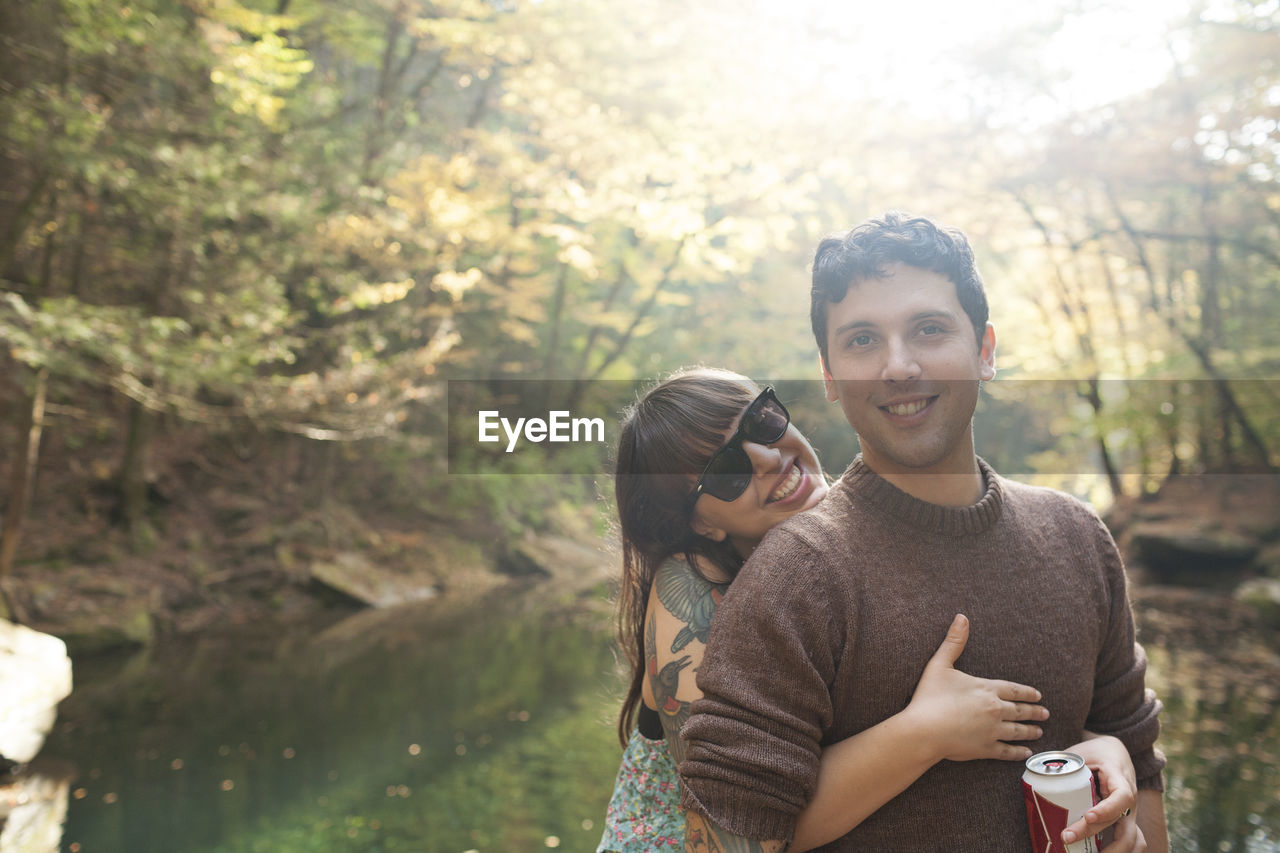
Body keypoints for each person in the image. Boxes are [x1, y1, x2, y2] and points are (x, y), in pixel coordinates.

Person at [678, 212, 1169, 852]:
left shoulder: (1078, 537)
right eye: (861, 341)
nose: (899, 366)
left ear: (985, 349)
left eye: (929, 329)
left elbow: (1136, 754)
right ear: (829, 375)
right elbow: (723, 834)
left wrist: (1120, 795)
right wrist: (920, 735)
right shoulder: (796, 574)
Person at [598, 367, 1139, 853]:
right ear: (701, 525)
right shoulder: (691, 585)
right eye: (724, 473)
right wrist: (923, 733)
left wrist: (1101, 745)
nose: (767, 456)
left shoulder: (857, 545)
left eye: (760, 422)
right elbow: (733, 837)